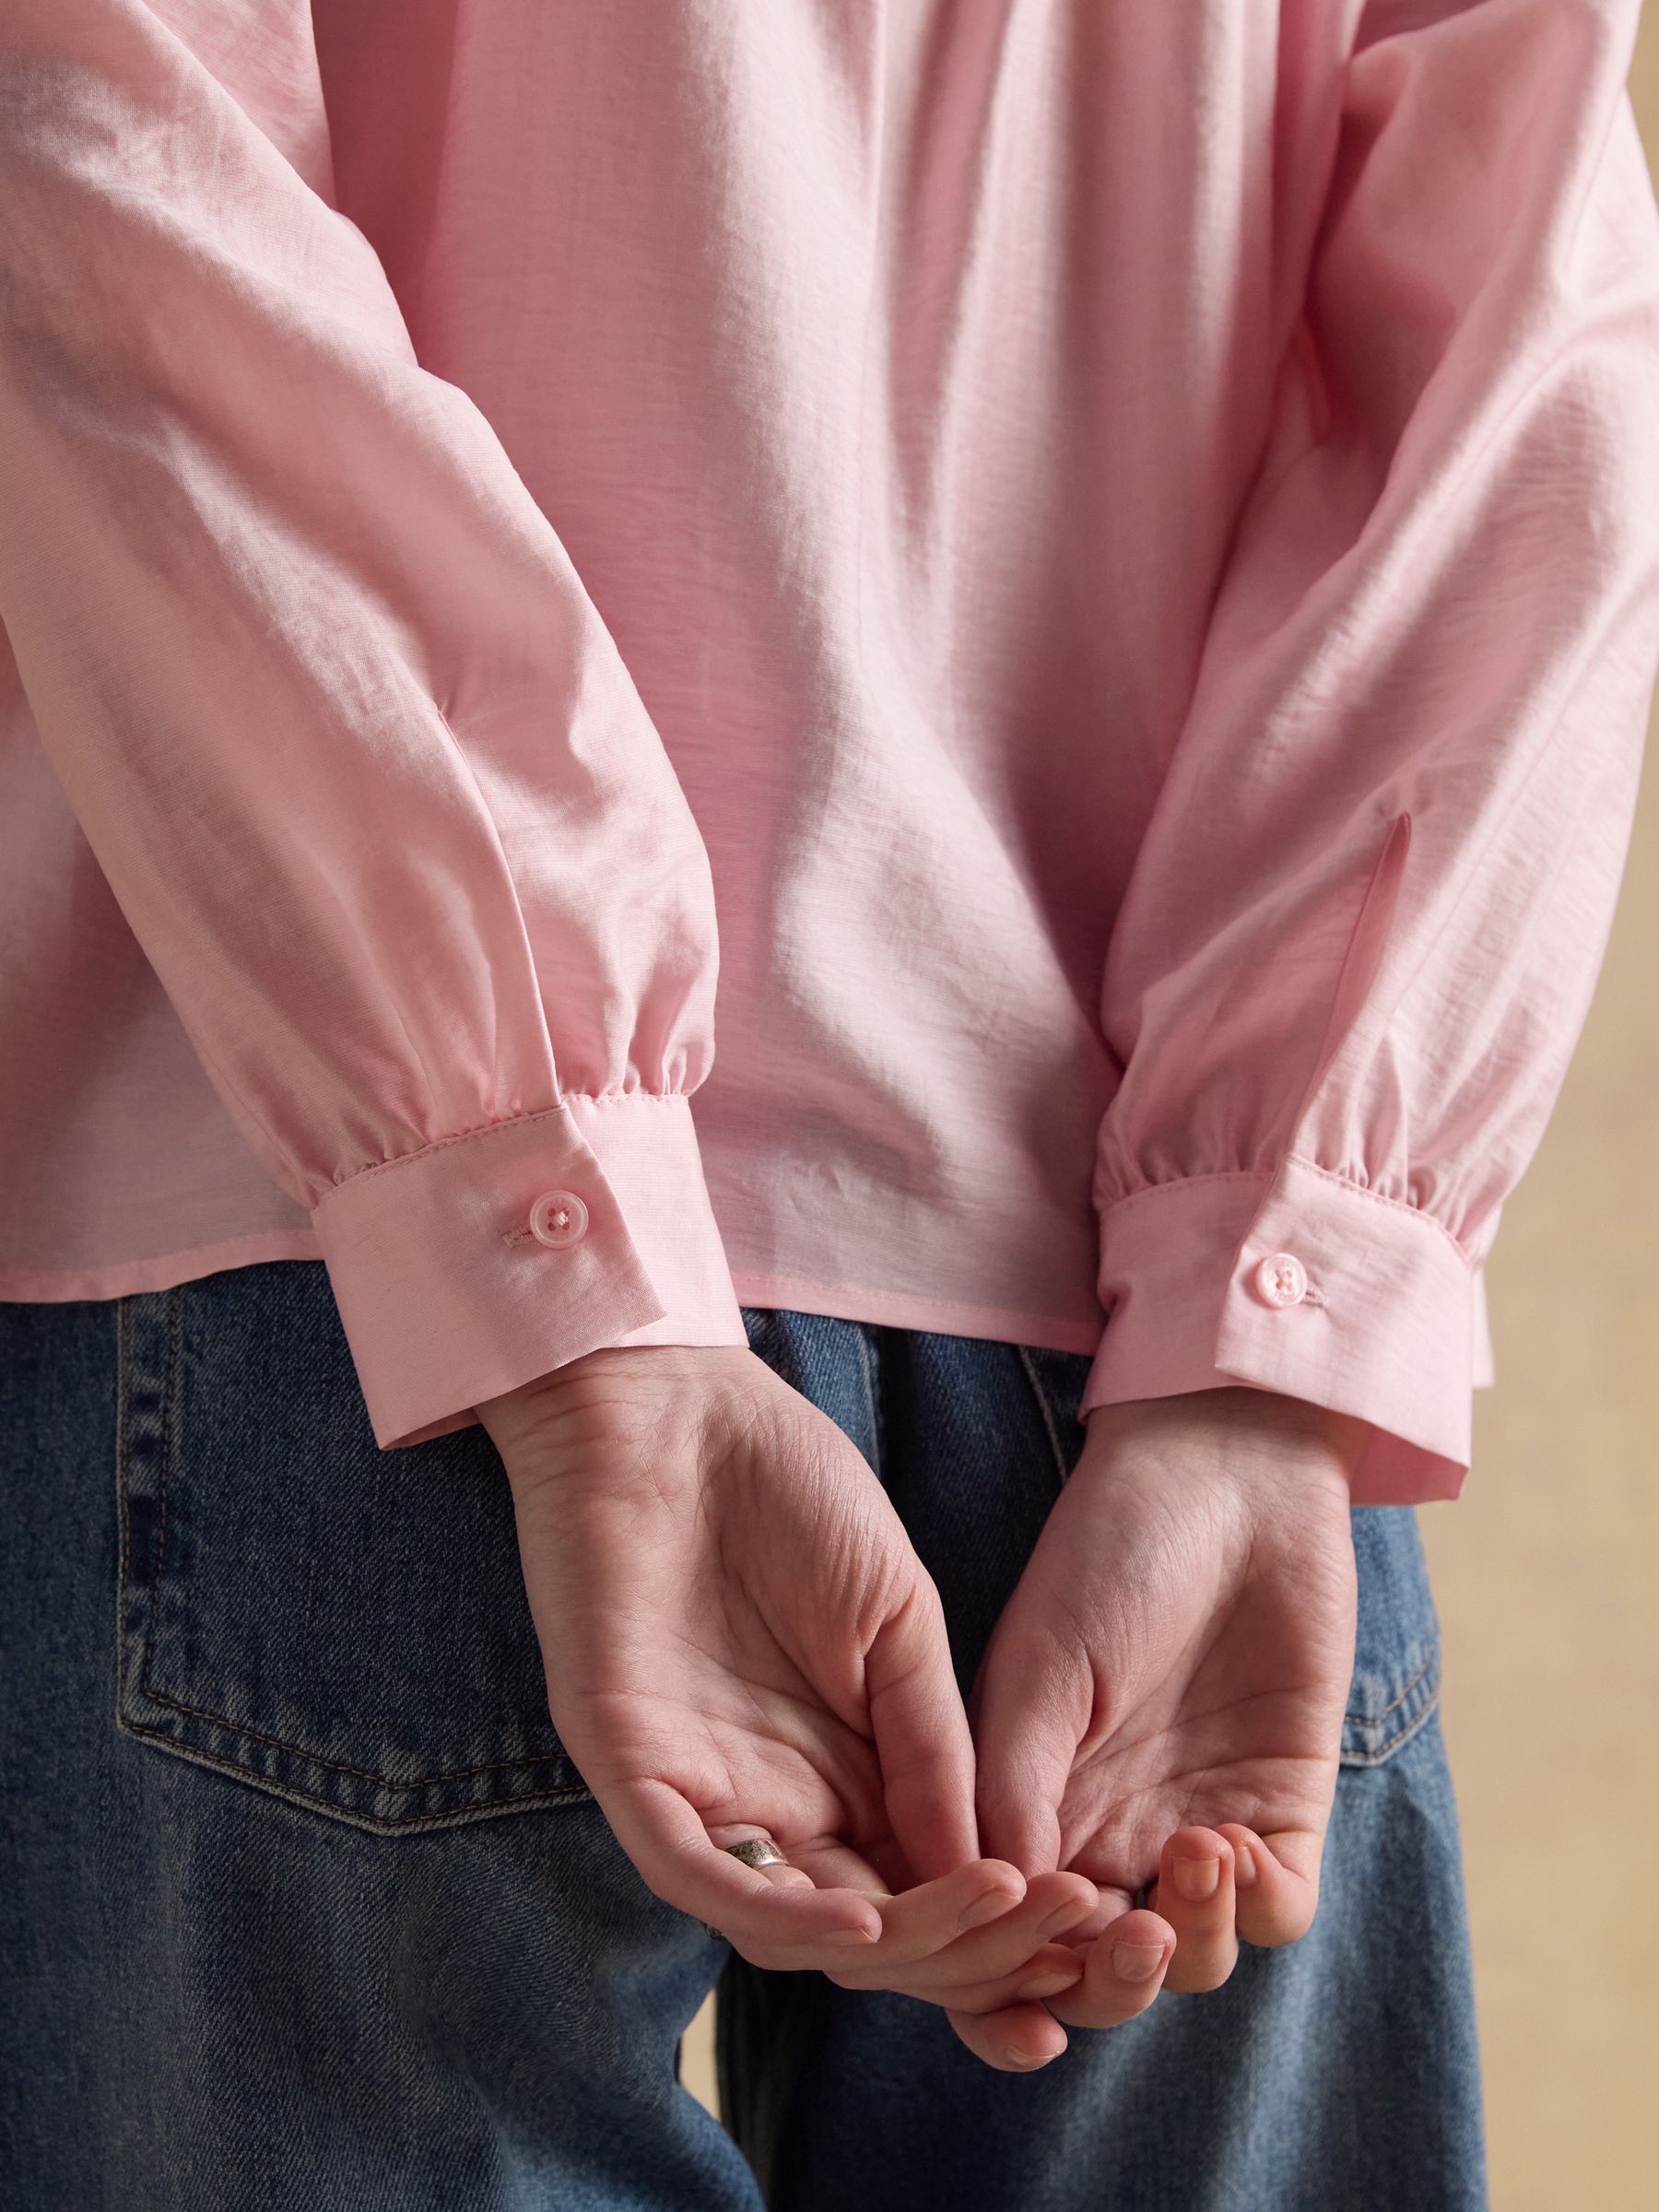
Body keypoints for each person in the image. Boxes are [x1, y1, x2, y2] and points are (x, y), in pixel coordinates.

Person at [3, 2, 1656, 2206]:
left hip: (332, 1253)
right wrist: (1279, 1289)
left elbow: (103, 167)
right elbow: (1520, 362)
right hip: (1152, 1348)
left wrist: (540, 1199)